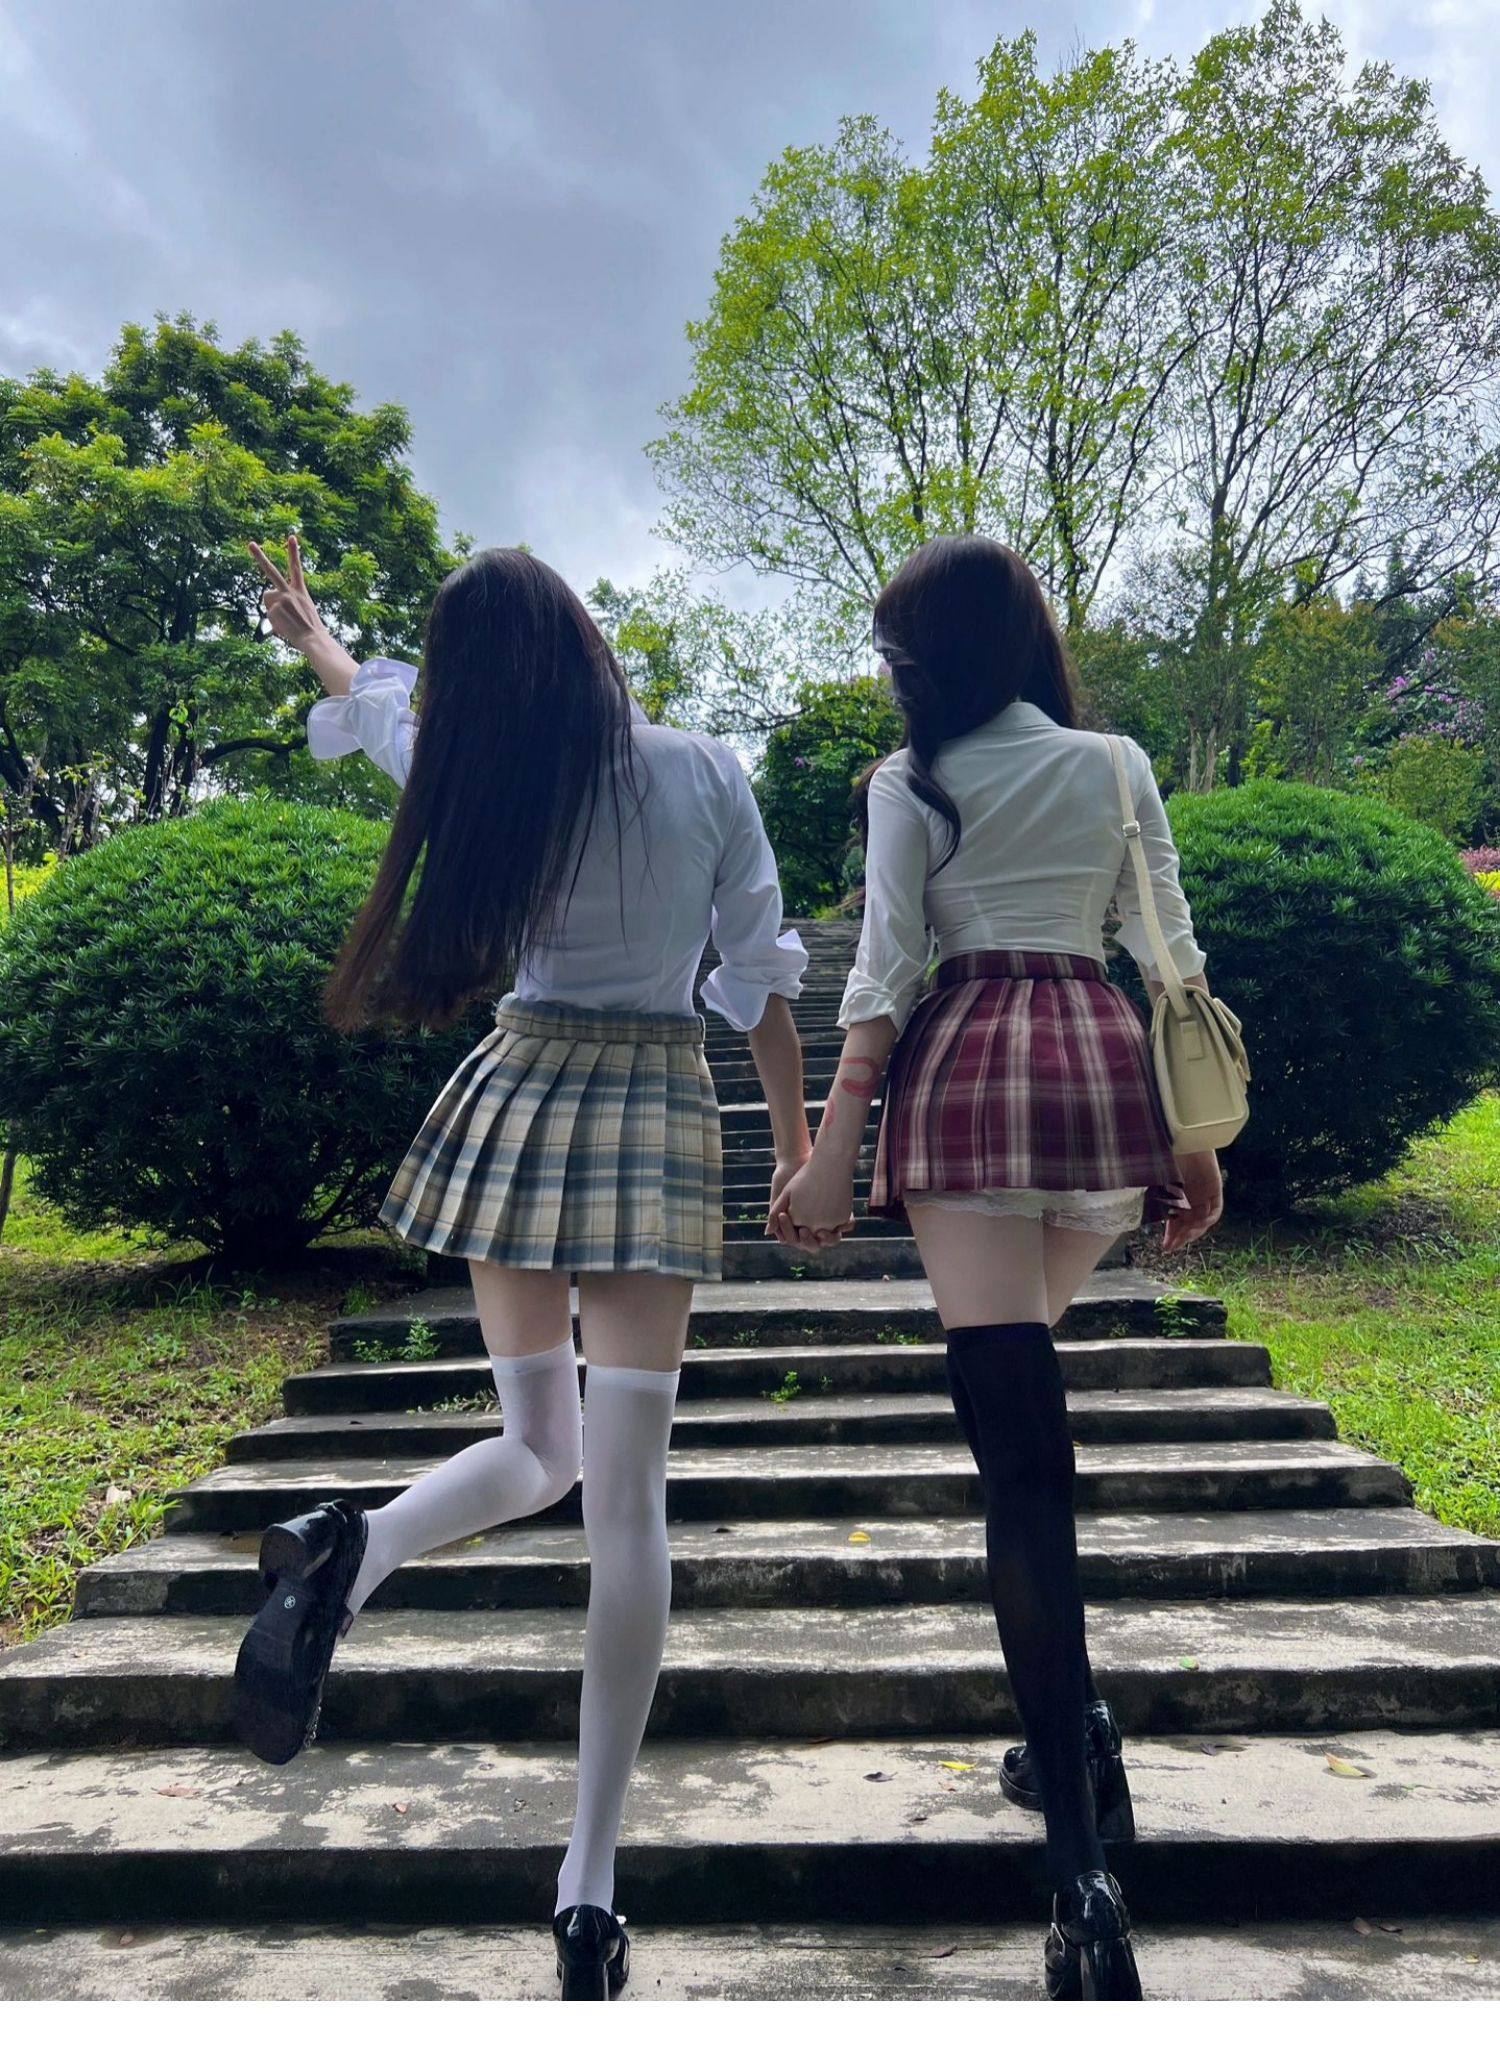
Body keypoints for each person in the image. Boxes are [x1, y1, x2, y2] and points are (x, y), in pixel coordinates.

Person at [234, 536, 809, 2000]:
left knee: (535, 1445)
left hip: (520, 1094)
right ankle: (589, 1884)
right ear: (584, 638)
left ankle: (358, 1550)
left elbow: (383, 714)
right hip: (653, 1106)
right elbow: (758, 975)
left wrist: (318, 640)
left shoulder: (481, 779)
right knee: (624, 1503)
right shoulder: (700, 769)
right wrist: (800, 1142)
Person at [771, 534, 1224, 2002]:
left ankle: (1080, 1865)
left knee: (1020, 1467)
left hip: (968, 1073)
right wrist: (1197, 1139)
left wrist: (832, 1151)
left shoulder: (911, 782)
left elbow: (887, 964)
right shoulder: (1116, 763)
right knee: (1031, 1427)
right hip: (1098, 1073)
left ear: (927, 657)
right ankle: (1073, 1738)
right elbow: (1167, 952)